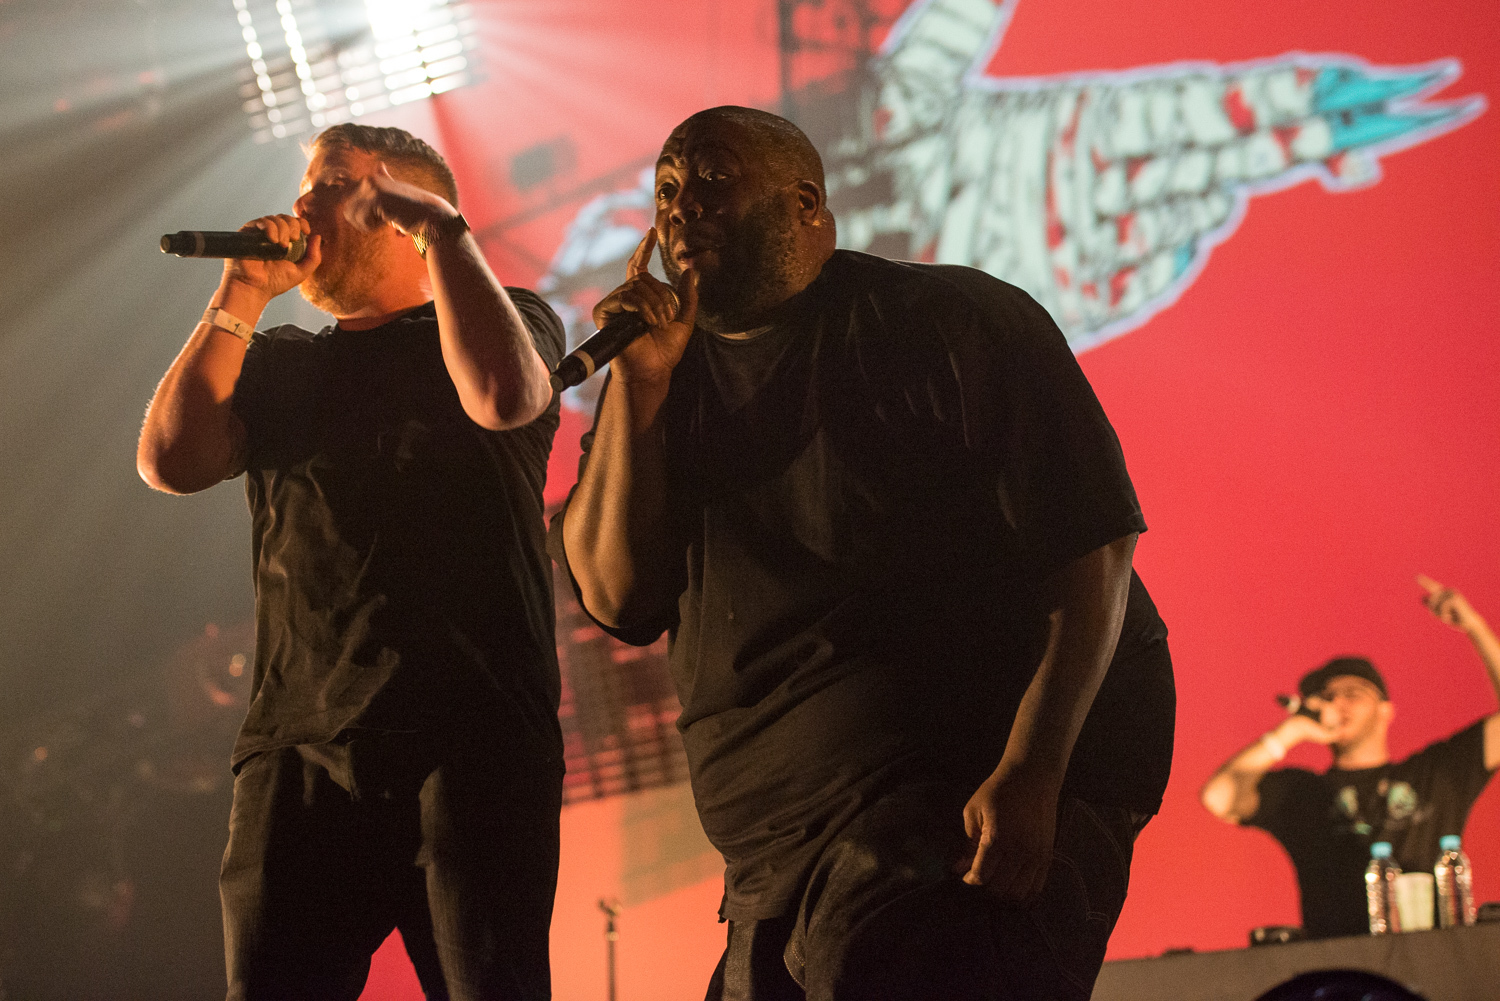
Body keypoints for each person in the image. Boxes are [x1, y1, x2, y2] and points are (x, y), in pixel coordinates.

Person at [548, 106, 1175, 1001]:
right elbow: (615, 594)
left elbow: (1094, 550)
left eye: (715, 180)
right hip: (776, 847)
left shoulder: (943, 320)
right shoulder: (659, 390)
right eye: (668, 190)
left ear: (806, 204)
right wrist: (638, 387)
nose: (683, 208)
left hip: (955, 796)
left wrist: (1035, 770)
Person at [136, 124, 566, 1000]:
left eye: (329, 182)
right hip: (299, 745)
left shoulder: (510, 320)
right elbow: (170, 463)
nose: (301, 205)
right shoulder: (287, 361)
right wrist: (241, 295)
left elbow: (507, 397)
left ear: (399, 207)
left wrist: (445, 230)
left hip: (470, 739)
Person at [1200, 576, 1500, 939]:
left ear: (1386, 710)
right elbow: (1218, 797)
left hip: (1437, 958)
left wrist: (1476, 628)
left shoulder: (1434, 774)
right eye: (1328, 696)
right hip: (1342, 965)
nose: (1337, 702)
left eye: (1353, 693)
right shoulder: (1303, 792)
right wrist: (1291, 732)